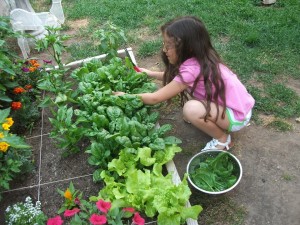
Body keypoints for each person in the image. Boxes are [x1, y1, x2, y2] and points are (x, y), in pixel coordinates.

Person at [114, 16, 255, 151]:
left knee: (190, 109)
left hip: (237, 116)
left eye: (168, 46)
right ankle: (210, 119)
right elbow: (177, 80)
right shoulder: (201, 58)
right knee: (191, 106)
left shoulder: (191, 71)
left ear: (188, 48)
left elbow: (155, 98)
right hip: (238, 105)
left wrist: (125, 96)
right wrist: (150, 73)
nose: (164, 50)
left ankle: (223, 139)